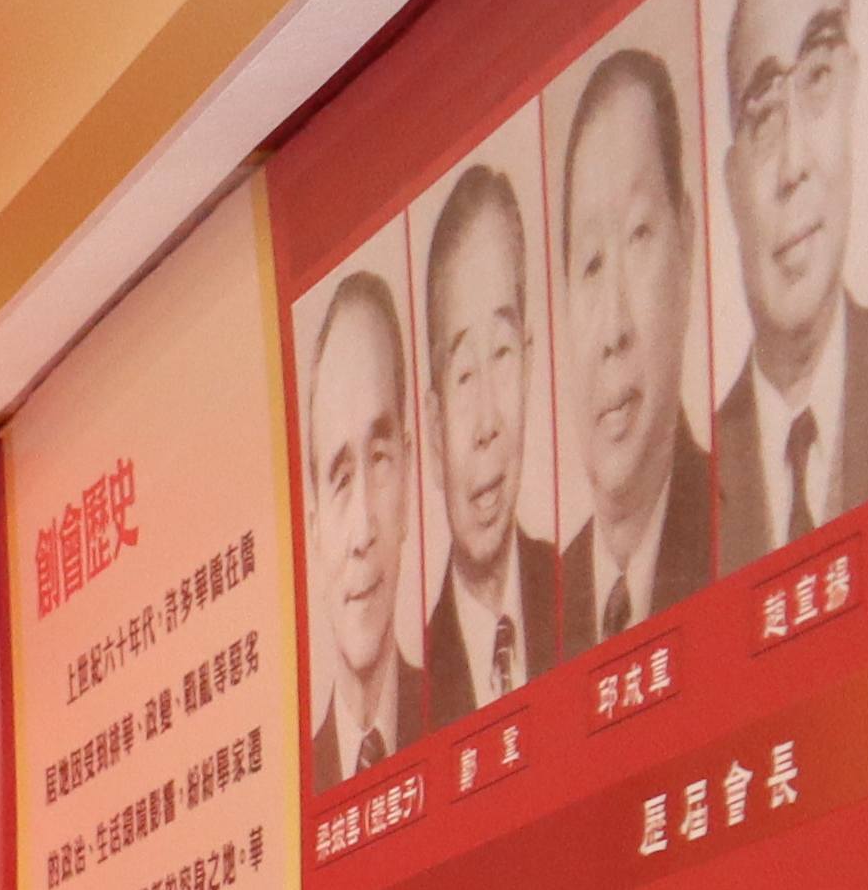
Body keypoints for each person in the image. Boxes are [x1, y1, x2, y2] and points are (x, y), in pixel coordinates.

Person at [713, 0, 868, 555]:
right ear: (732, 185)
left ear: (853, 92)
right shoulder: (693, 487)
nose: (794, 163)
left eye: (817, 76)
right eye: (763, 112)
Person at [555, 41, 721, 652]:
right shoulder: (543, 619)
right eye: (591, 264)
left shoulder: (743, 526)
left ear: (686, 244)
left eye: (639, 236)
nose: (614, 329)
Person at [418, 159, 552, 715]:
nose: (486, 425)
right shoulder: (414, 696)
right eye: (464, 375)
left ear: (529, 365)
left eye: (500, 353)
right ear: (434, 430)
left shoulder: (582, 595)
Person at [305, 267, 433, 786]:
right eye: (340, 479)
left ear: (408, 475)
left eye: (379, 460)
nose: (362, 532)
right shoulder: (298, 783)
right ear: (314, 529)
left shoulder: (466, 707)